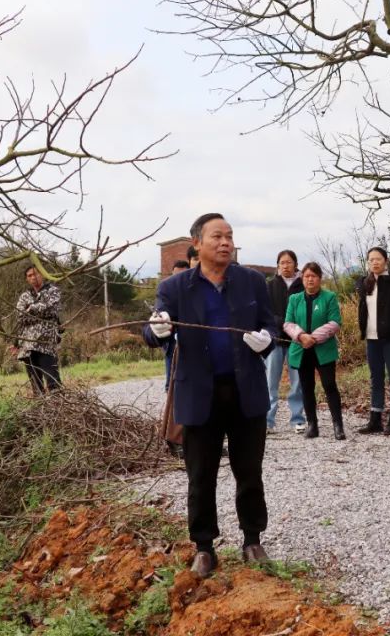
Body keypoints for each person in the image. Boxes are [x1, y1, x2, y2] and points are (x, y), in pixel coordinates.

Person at [145, 213, 278, 577]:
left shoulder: (251, 281)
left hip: (244, 390)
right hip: (199, 394)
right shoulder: (175, 288)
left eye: (230, 236)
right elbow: (152, 330)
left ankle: (252, 539)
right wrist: (158, 331)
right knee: (200, 474)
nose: (225, 243)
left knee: (249, 470)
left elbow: (270, 323)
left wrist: (265, 340)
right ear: (197, 244)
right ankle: (204, 547)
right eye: (217, 236)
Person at [283, 262, 346, 440]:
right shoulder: (295, 299)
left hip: (323, 349)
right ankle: (312, 424)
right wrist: (302, 336)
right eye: (306, 276)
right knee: (307, 387)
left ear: (320, 278)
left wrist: (314, 338)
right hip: (302, 349)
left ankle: (338, 425)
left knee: (329, 386)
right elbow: (288, 323)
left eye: (313, 276)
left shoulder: (329, 297)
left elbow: (335, 322)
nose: (310, 279)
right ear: (302, 279)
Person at [355, 247, 390, 435]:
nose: (375, 262)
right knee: (375, 378)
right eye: (371, 260)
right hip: (371, 338)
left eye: (378, 259)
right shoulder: (364, 282)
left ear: (386, 260)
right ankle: (375, 419)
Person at [143, 259, 190, 457]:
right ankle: (176, 441)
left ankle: (199, 441)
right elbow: (150, 330)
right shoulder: (168, 293)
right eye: (176, 274)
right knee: (176, 395)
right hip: (178, 352)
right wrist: (157, 329)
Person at [266, 249, 306, 433]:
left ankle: (297, 419)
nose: (285, 265)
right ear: (277, 266)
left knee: (297, 381)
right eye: (282, 262)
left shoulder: (303, 284)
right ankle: (268, 420)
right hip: (274, 339)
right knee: (270, 381)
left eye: (289, 262)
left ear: (295, 264)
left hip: (297, 340)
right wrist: (283, 324)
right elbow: (265, 312)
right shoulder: (270, 285)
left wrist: (295, 329)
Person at [11, 265, 63, 395]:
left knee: (53, 383)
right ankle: (41, 413)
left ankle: (60, 410)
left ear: (42, 274)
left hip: (46, 344)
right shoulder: (24, 296)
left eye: (36, 273)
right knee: (36, 386)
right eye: (30, 275)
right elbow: (20, 316)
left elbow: (51, 309)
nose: (33, 277)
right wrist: (16, 343)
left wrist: (31, 309)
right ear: (27, 279)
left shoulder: (53, 291)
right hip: (28, 345)